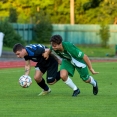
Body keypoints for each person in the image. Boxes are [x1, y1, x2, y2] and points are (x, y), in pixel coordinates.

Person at [13, 43, 79, 96]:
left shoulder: (34, 50)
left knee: (51, 82)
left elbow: (49, 50)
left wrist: (58, 60)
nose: (18, 56)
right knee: (37, 77)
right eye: (16, 55)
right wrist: (26, 77)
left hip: (51, 62)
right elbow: (27, 65)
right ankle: (46, 90)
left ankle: (64, 70)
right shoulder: (25, 54)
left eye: (18, 54)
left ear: (23, 49)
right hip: (42, 62)